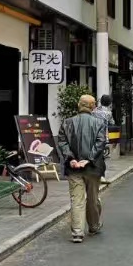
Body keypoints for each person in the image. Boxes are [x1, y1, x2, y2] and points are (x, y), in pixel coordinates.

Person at [56, 94, 108, 243]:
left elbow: (62, 142)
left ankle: (78, 232)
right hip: (93, 168)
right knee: (92, 198)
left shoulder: (67, 122)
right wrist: (89, 159)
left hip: (74, 169)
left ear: (79, 105)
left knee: (76, 199)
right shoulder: (99, 123)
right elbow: (100, 143)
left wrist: (71, 159)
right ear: (92, 107)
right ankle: (94, 226)